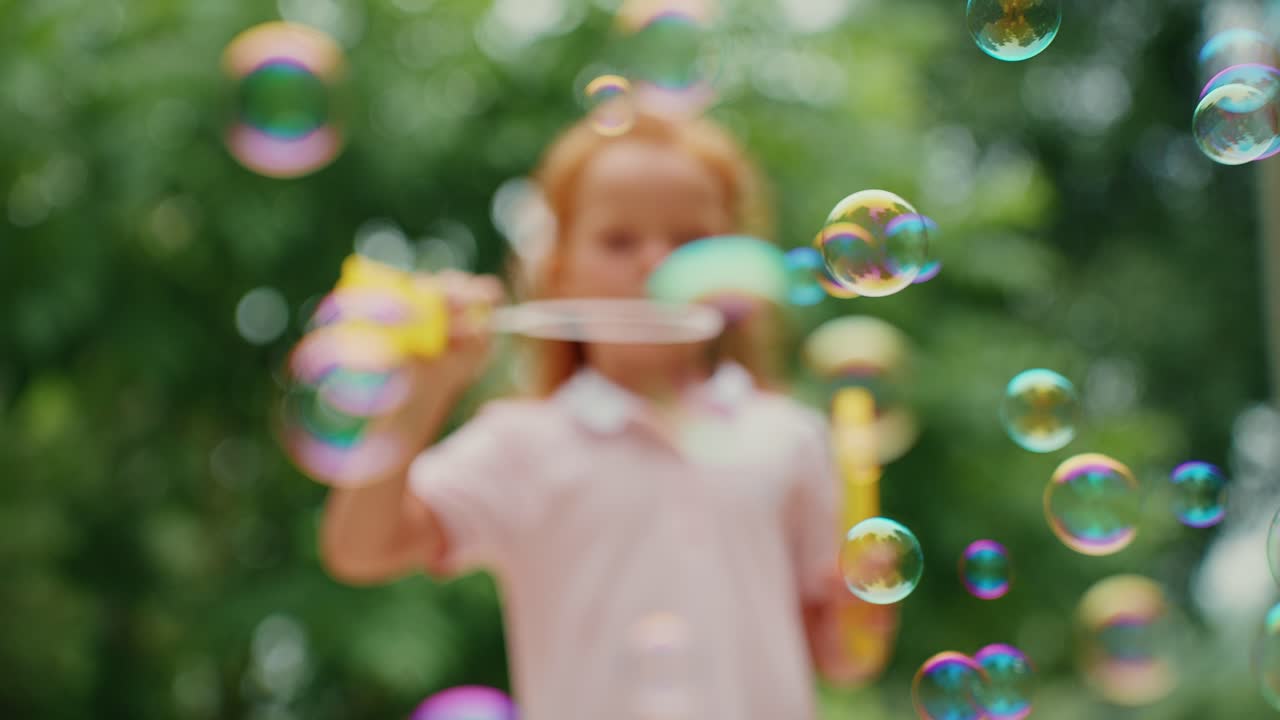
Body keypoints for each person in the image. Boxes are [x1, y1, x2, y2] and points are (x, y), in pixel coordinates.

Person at [315, 111, 886, 719]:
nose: (655, 263)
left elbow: (843, 660)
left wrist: (864, 615)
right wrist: (423, 392)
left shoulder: (786, 437)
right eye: (619, 240)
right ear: (557, 275)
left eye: (691, 242)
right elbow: (361, 549)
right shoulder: (523, 444)